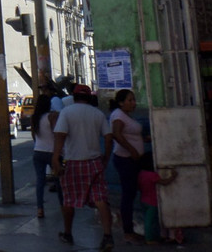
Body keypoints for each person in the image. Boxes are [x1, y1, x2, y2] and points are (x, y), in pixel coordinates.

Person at [51, 84, 114, 252]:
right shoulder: (98, 114)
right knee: (100, 199)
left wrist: (55, 158)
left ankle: (68, 233)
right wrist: (106, 157)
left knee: (68, 199)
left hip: (72, 162)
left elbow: (60, 135)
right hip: (94, 162)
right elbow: (108, 137)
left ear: (74, 96)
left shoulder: (67, 112)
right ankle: (108, 236)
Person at [110, 89, 146, 243]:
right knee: (128, 195)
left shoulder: (125, 116)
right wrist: (132, 150)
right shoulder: (118, 116)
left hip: (132, 159)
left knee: (131, 193)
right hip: (125, 160)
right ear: (121, 102)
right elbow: (116, 134)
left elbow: (130, 134)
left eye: (134, 100)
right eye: (130, 100)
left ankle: (130, 229)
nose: (133, 103)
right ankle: (128, 231)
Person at [137, 152, 182, 245]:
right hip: (152, 202)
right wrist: (173, 176)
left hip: (143, 199)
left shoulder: (141, 173)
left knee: (148, 220)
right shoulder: (152, 175)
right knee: (151, 221)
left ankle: (154, 237)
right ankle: (149, 239)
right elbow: (164, 182)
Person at [31, 94, 61, 219]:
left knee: (40, 181)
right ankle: (63, 205)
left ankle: (39, 208)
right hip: (51, 152)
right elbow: (56, 132)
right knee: (59, 180)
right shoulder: (51, 116)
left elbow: (33, 135)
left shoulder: (35, 117)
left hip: (38, 151)